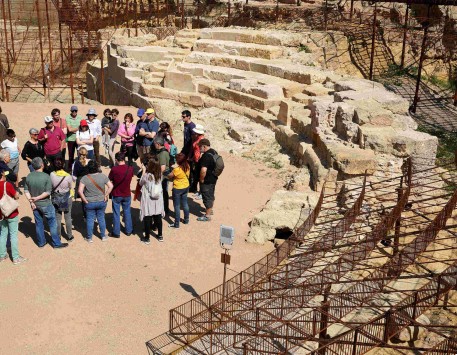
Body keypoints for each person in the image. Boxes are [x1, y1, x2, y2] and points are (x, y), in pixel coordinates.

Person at [24, 157, 69, 248]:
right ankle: (56, 243)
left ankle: (41, 243)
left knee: (39, 223)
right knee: (52, 223)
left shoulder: (29, 176)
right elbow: (48, 192)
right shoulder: (46, 176)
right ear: (42, 165)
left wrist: (32, 202)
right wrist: (37, 198)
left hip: (35, 205)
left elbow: (26, 191)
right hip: (46, 204)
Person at [79, 160, 113, 242]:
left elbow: (80, 191)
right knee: (101, 218)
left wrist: (85, 200)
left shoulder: (85, 178)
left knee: (90, 219)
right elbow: (111, 186)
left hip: (89, 202)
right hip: (101, 201)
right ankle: (103, 236)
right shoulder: (103, 176)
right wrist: (106, 195)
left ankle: (89, 238)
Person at [0, 170, 24, 265]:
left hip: (1, 213)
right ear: (2, 174)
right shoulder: (7, 184)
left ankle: (2, 255)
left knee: (3, 234)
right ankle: (15, 257)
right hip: (11, 213)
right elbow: (16, 196)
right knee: (13, 235)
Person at [108, 152, 134, 238]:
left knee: (116, 213)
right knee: (127, 212)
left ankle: (116, 232)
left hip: (117, 194)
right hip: (127, 193)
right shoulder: (130, 169)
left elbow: (109, 179)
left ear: (116, 160)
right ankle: (129, 230)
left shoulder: (114, 169)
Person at [139, 157, 164, 244]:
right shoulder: (160, 174)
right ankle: (160, 235)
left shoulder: (147, 176)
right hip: (158, 199)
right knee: (158, 217)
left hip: (148, 199)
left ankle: (147, 237)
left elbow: (140, 183)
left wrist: (143, 171)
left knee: (148, 217)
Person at [50, 158, 74, 242]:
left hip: (56, 198)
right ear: (63, 165)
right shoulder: (68, 176)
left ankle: (58, 236)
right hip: (67, 198)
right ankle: (70, 236)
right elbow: (70, 187)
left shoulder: (52, 175)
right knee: (68, 217)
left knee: (58, 218)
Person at [197, 139, 218, 222]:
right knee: (211, 194)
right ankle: (210, 209)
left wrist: (201, 179)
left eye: (200, 147)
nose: (199, 148)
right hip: (213, 178)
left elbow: (203, 170)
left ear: (204, 146)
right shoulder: (214, 152)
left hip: (207, 180)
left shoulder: (206, 156)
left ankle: (207, 216)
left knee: (207, 197)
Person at [167, 153, 190, 228]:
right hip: (186, 186)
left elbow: (169, 176)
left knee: (176, 206)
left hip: (178, 187)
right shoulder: (187, 166)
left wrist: (172, 169)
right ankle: (186, 219)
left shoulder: (177, 169)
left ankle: (176, 224)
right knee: (185, 203)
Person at [72, 147, 91, 219]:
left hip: (80, 181)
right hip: (89, 180)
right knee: (90, 197)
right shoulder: (90, 162)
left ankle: (85, 216)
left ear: (79, 154)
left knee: (83, 200)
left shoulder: (76, 163)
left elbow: (74, 176)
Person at [154, 137, 171, 216]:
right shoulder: (162, 151)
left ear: (158, 144)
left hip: (163, 176)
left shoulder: (162, 153)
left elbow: (163, 168)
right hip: (163, 175)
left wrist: (157, 177)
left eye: (155, 144)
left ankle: (164, 209)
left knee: (163, 193)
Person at [189, 124, 205, 198]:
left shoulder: (202, 140)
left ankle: (202, 192)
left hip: (200, 160)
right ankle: (199, 191)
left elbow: (201, 151)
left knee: (201, 177)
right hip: (196, 160)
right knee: (197, 176)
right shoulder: (197, 138)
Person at [66, 105, 83, 171]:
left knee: (80, 154)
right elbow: (69, 129)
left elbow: (82, 127)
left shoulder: (80, 117)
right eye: (73, 111)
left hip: (78, 138)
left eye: (75, 111)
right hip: (71, 139)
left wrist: (74, 130)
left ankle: (80, 167)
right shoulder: (68, 118)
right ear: (71, 111)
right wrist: (78, 129)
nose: (74, 112)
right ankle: (70, 169)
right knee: (71, 155)